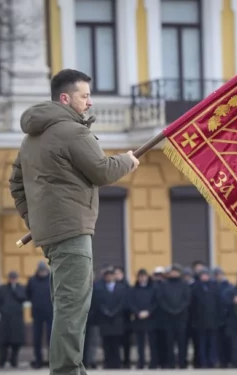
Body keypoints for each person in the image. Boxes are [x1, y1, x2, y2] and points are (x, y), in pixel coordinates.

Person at [8, 68, 139, 375]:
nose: (89, 102)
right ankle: (67, 371)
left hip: (52, 234)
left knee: (68, 303)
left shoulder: (31, 138)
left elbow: (16, 184)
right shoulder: (72, 131)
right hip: (72, 231)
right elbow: (103, 170)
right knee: (73, 306)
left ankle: (70, 368)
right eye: (85, 95)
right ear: (65, 98)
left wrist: (35, 220)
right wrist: (128, 160)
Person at [0, 271, 27, 368]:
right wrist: (1, 311)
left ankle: (14, 361)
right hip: (5, 318)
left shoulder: (20, 288)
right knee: (3, 342)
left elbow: (23, 298)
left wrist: (15, 290)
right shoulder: (2, 288)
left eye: (14, 277)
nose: (13, 279)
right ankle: (2, 361)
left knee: (16, 343)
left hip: (17, 318)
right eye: (11, 277)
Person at [27, 261, 53, 368]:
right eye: (40, 271)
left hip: (50, 313)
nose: (42, 273)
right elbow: (28, 294)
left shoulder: (51, 280)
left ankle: (52, 361)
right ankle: (38, 361)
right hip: (37, 313)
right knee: (36, 338)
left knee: (50, 338)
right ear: (37, 271)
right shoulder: (32, 281)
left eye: (44, 271)